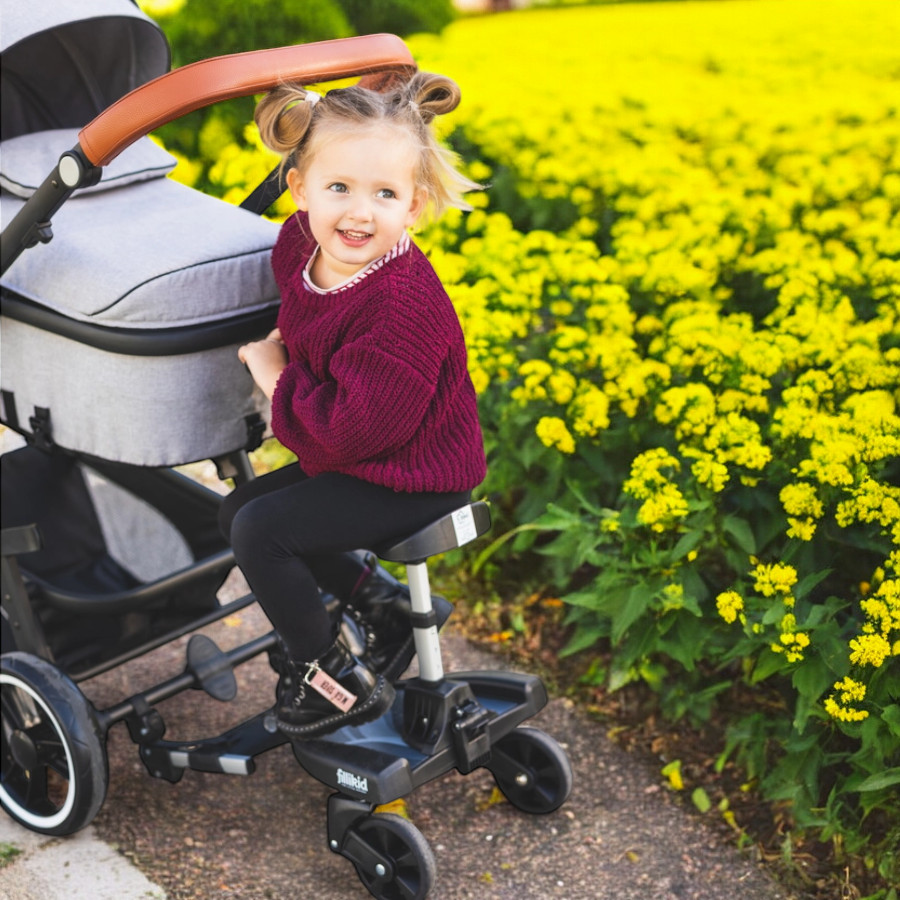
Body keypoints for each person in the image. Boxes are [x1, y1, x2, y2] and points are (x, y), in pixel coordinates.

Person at [218, 71, 486, 739]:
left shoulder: (401, 307)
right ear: (300, 188)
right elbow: (318, 330)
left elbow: (340, 437)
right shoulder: (299, 244)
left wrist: (274, 373)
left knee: (263, 532)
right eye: (338, 187)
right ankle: (385, 607)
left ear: (413, 207)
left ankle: (327, 675)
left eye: (385, 194)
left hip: (419, 475)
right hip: (374, 454)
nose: (359, 212)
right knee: (238, 508)